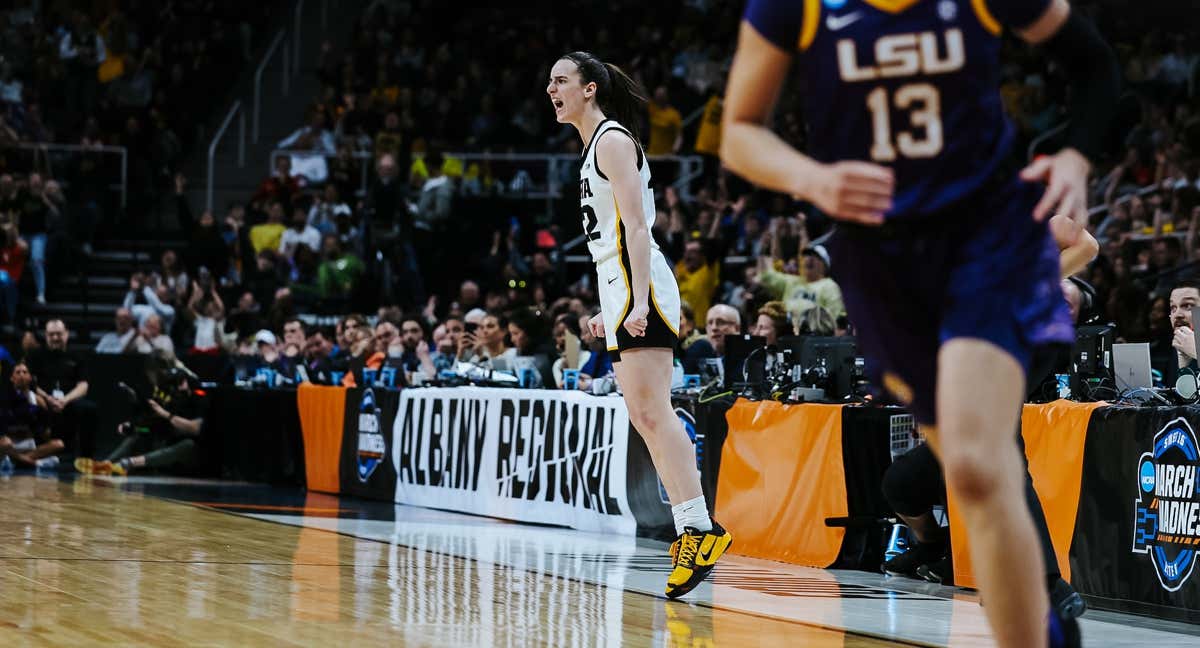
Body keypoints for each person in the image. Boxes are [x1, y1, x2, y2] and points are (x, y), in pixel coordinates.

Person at [721, 1, 1118, 646]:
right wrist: (812, 178)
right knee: (968, 468)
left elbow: (1093, 62)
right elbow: (739, 131)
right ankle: (1049, 628)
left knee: (975, 460)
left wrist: (1076, 155)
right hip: (884, 263)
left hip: (982, 241)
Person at [548, 50, 731, 599]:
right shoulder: (591, 146)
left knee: (654, 411)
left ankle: (699, 528)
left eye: (561, 81)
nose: (552, 90)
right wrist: (612, 302)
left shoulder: (612, 140)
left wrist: (637, 301)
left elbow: (636, 228)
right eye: (549, 83)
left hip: (639, 280)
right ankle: (694, 527)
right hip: (620, 281)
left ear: (589, 89)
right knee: (644, 415)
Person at [76, 369, 205, 476]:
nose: (172, 390)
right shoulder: (172, 401)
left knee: (188, 445)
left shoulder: (198, 398)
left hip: (192, 453)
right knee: (139, 433)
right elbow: (153, 429)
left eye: (175, 384)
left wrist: (164, 414)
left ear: (184, 383)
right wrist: (134, 427)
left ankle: (126, 464)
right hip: (167, 445)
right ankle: (105, 464)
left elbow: (195, 429)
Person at [26, 320, 97, 461]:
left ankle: (86, 458)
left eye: (58, 334)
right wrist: (47, 398)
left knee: (90, 409)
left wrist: (65, 400)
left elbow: (83, 386)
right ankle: (35, 451)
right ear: (46, 335)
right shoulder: (35, 356)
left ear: (66, 334)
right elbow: (30, 383)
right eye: (51, 334)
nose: (55, 338)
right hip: (43, 400)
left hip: (68, 401)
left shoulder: (77, 356)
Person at [0, 362, 63, 470]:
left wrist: (43, 425)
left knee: (58, 444)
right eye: (18, 372)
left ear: (30, 377)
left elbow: (45, 433)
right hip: (9, 445)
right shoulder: (5, 399)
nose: (21, 375)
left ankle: (16, 461)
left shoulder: (38, 400)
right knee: (4, 444)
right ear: (12, 378)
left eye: (25, 372)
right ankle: (34, 463)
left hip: (29, 445)